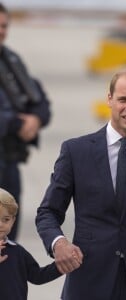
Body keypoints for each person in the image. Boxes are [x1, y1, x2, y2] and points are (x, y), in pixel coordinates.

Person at [35, 68, 126, 300]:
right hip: (90, 277)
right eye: (123, 99)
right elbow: (47, 212)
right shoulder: (76, 151)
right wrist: (58, 243)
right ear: (109, 99)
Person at [0, 3, 51, 240]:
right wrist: (15, 123)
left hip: (9, 162)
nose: (1, 31)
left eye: (4, 26)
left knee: (8, 242)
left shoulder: (10, 60)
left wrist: (35, 119)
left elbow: (38, 99)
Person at [0, 188, 62, 300]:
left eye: (6, 219)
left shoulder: (17, 251)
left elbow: (37, 275)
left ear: (13, 220)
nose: (1, 224)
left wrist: (61, 266)